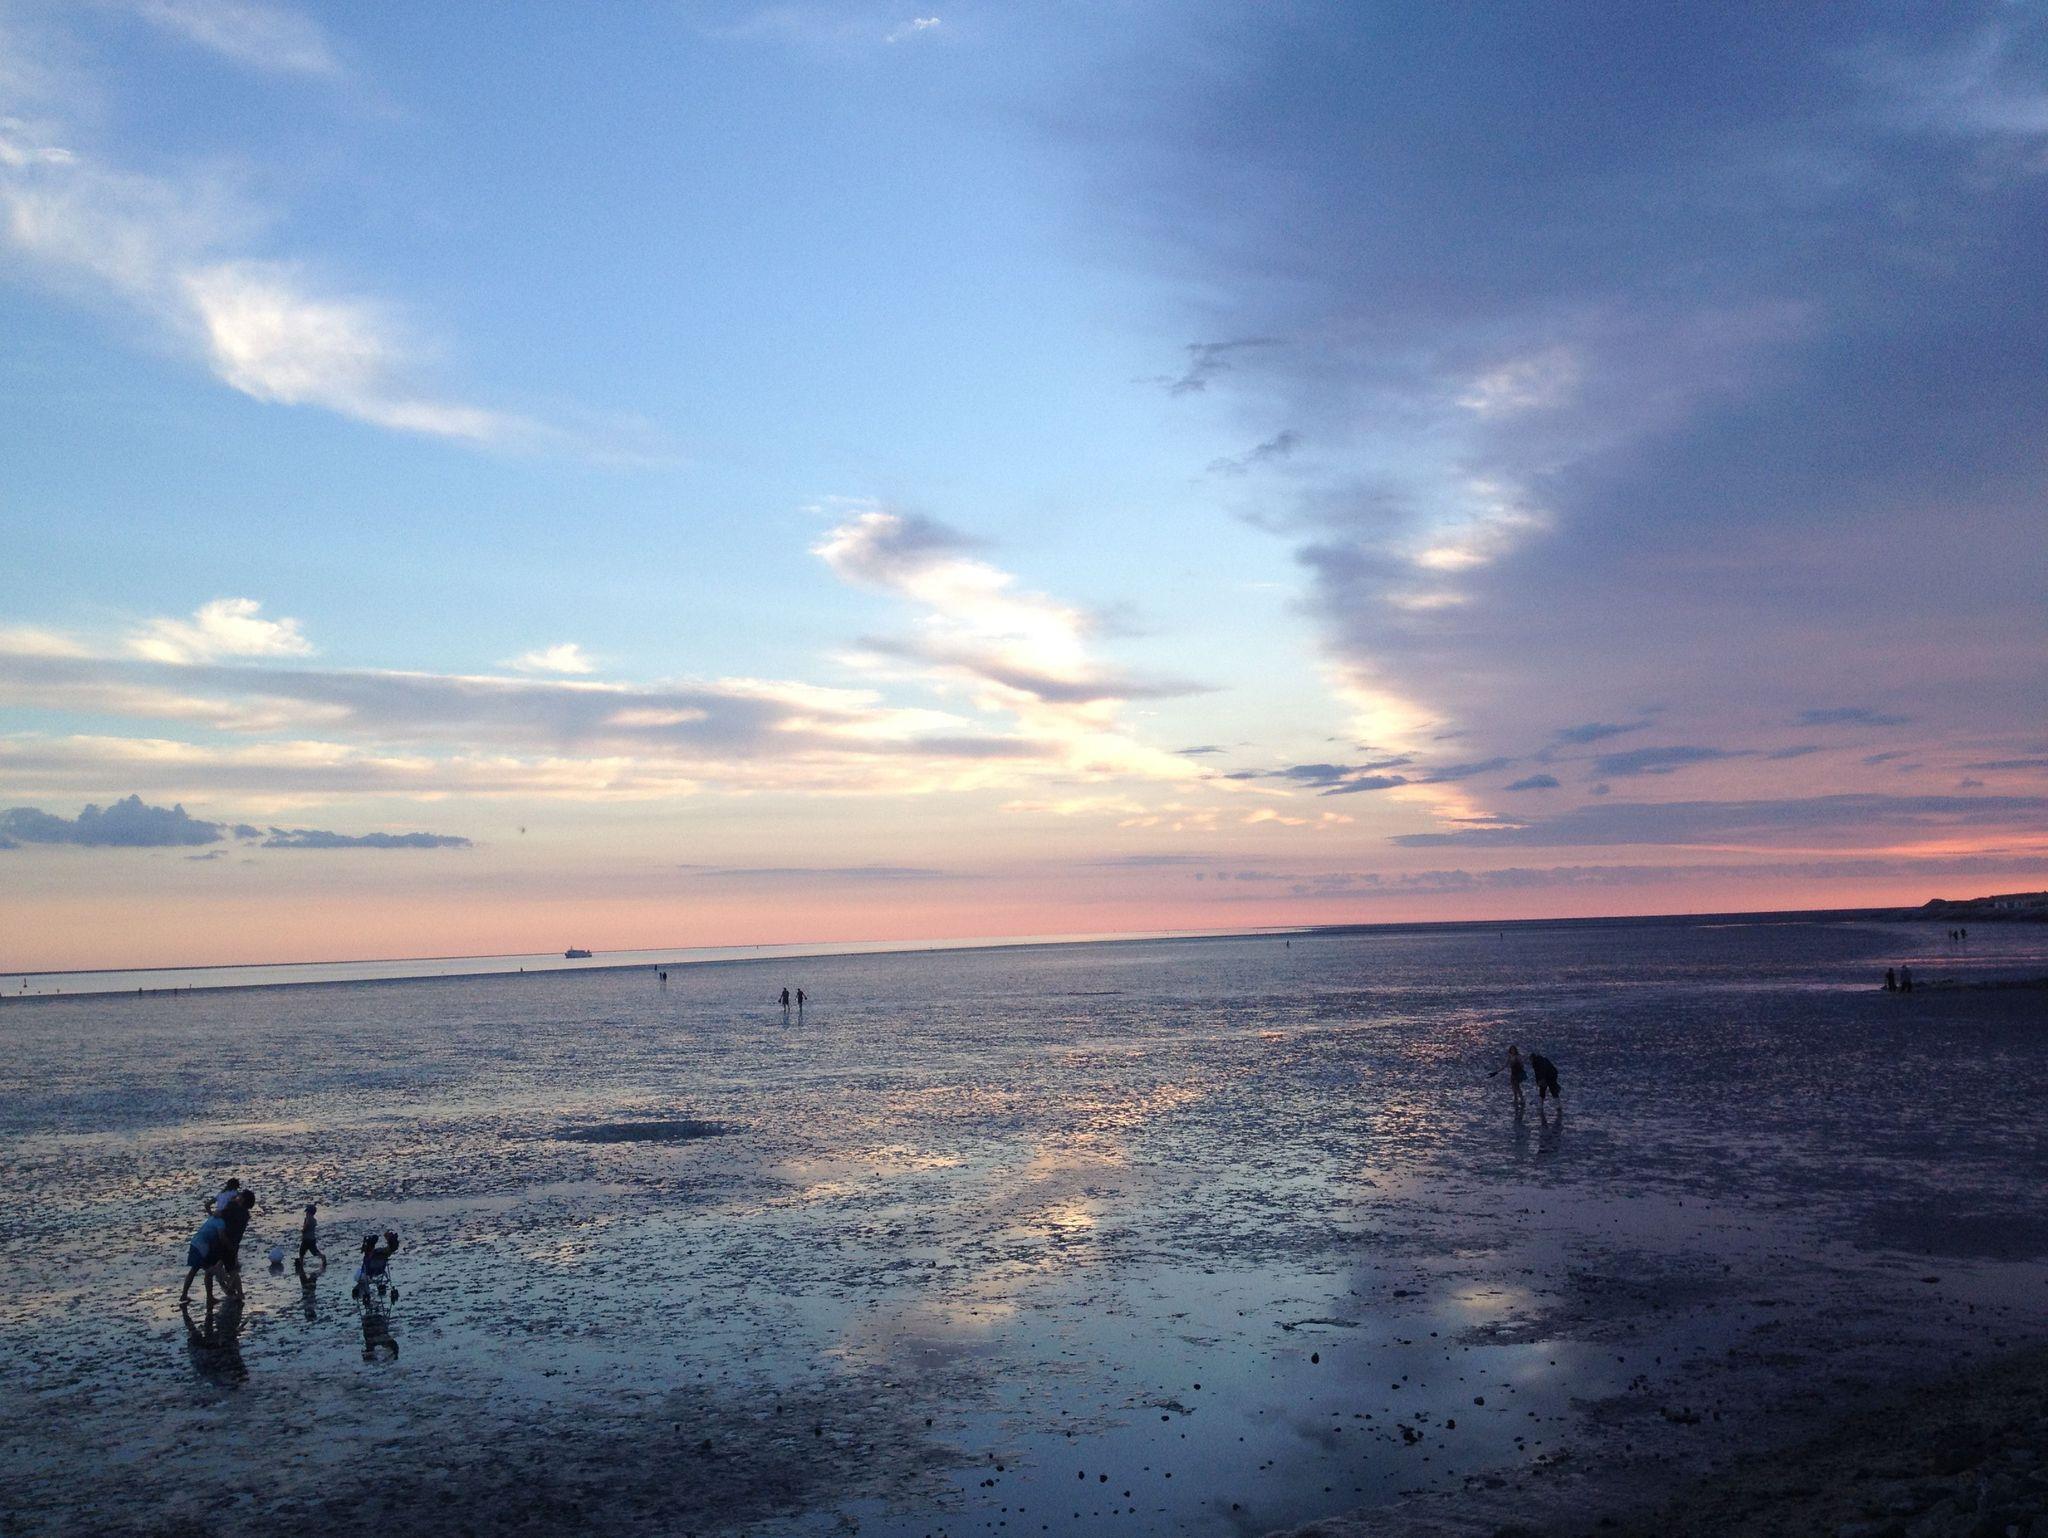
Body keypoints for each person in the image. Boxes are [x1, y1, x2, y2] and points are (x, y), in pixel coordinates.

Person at [182, 1211, 228, 1304]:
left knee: (194, 1270)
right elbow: (221, 1237)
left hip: (195, 1242)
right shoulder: (221, 1222)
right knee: (209, 1271)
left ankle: (184, 1294)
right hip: (202, 1246)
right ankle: (211, 1296)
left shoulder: (213, 1218)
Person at [217, 1188, 256, 1300]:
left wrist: (231, 1200)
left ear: (242, 1199)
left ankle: (228, 1287)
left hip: (225, 1242)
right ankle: (238, 1292)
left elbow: (220, 1214)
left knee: (218, 1268)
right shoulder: (245, 1214)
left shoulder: (233, 1209)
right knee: (232, 1269)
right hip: (234, 1244)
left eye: (240, 1196)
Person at [1491, 1045, 1528, 1112]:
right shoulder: (1510, 1057)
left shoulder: (1518, 1056)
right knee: (1513, 1087)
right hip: (1513, 1073)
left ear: (1515, 1050)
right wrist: (1496, 1072)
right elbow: (1505, 1065)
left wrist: (1521, 1072)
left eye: (1513, 1049)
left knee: (1517, 1087)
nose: (1512, 1051)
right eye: (1511, 1049)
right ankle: (1516, 1099)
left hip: (1517, 1073)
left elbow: (1522, 1065)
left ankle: (1522, 1099)